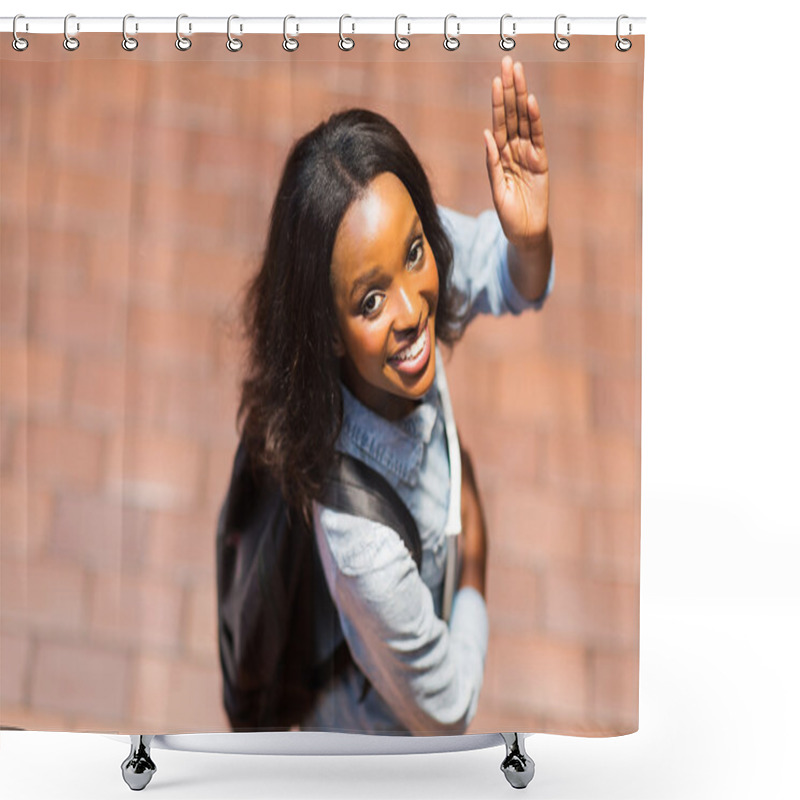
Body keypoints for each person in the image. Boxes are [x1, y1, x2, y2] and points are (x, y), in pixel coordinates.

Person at [237, 56, 554, 735]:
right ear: (324, 329)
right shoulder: (365, 550)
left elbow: (510, 279)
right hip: (378, 740)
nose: (412, 310)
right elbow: (446, 711)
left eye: (415, 253)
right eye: (370, 299)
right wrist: (475, 553)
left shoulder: (403, 249)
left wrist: (528, 238)